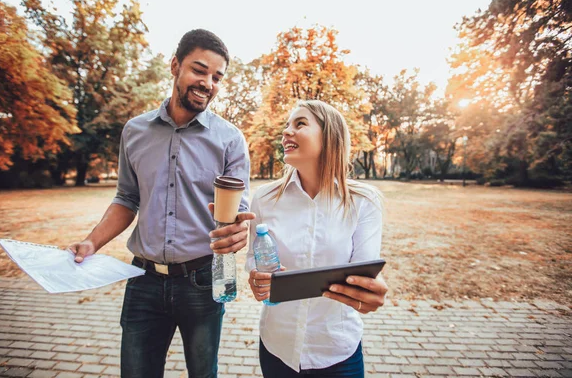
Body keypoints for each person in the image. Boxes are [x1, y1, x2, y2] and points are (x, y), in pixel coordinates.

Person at [69, 29, 254, 378]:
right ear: (175, 66)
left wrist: (238, 230)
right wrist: (92, 242)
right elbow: (126, 197)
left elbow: (238, 209)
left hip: (202, 280)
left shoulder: (230, 139)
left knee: (203, 373)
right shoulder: (134, 131)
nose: (208, 83)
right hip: (143, 280)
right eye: (199, 70)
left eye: (217, 77)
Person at [246, 100, 388, 377]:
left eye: (299, 124)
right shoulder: (263, 198)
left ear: (330, 136)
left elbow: (365, 270)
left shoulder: (364, 201)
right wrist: (255, 276)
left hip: (337, 348)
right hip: (278, 346)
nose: (286, 132)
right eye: (286, 126)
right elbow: (254, 258)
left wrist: (370, 290)